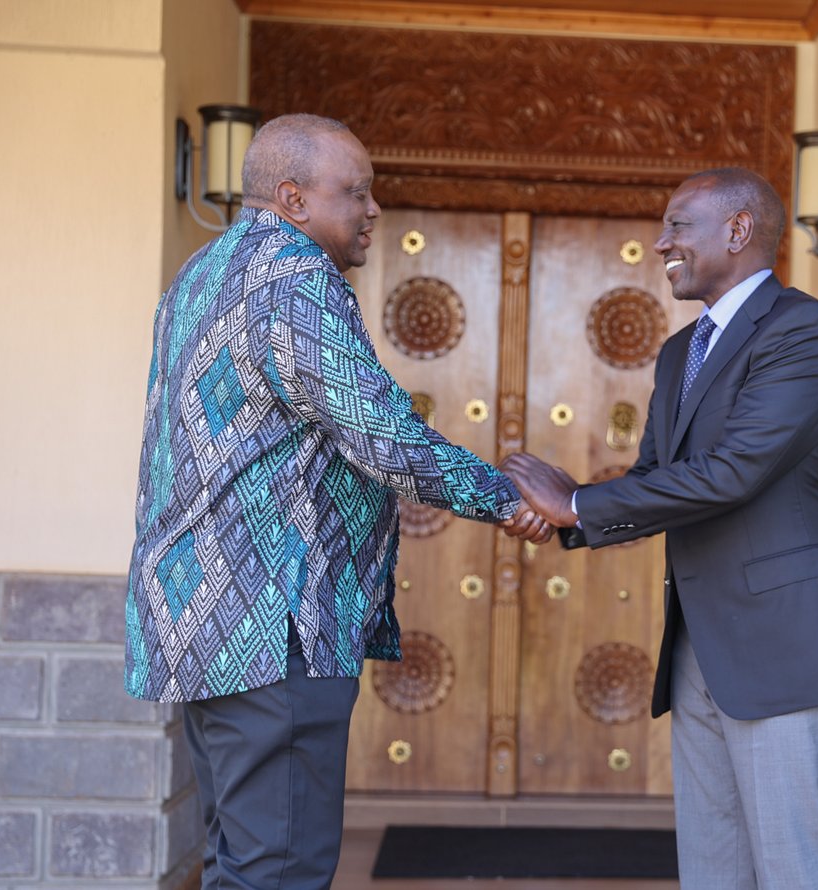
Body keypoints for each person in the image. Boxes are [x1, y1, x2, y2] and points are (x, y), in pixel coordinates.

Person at [124, 113, 550, 889]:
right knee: (278, 872)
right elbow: (383, 437)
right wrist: (509, 500)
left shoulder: (200, 274)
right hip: (271, 626)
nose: (373, 210)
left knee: (240, 865)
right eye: (356, 192)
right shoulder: (295, 281)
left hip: (201, 623)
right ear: (292, 198)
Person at [503, 167, 818, 889]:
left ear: (738, 230)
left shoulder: (802, 329)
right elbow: (654, 479)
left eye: (678, 225)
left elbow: (735, 471)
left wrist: (575, 504)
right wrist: (563, 521)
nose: (660, 241)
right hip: (700, 644)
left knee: (798, 867)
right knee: (714, 867)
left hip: (784, 644)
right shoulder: (683, 351)